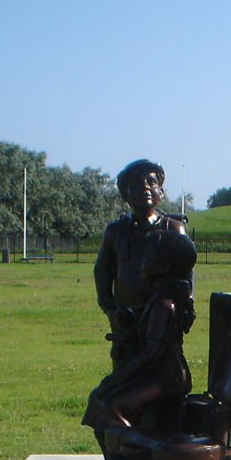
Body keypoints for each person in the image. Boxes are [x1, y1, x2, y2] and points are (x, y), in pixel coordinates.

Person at [83, 230, 196, 455]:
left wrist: (120, 377)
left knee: (112, 407)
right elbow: (145, 324)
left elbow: (154, 352)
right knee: (99, 398)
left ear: (162, 267)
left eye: (147, 256)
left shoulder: (164, 305)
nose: (142, 262)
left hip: (167, 377)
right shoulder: (156, 300)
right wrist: (130, 319)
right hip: (157, 373)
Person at [93, 159, 188, 373]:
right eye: (135, 184)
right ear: (125, 194)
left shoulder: (173, 229)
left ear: (160, 191)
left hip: (162, 322)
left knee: (160, 374)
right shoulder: (116, 231)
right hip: (125, 323)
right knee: (125, 375)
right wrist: (110, 309)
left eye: (151, 182)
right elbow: (102, 270)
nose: (145, 187)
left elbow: (185, 272)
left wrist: (185, 307)